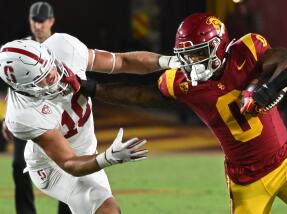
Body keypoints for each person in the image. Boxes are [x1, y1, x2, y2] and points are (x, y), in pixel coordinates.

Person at [88, 13, 287, 213]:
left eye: (199, 53)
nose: (192, 62)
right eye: (187, 55)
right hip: (247, 180)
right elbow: (141, 95)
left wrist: (264, 89)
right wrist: (96, 89)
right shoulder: (181, 82)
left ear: (218, 46)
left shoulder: (246, 51)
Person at [0, 30, 178, 213]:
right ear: (25, 88)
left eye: (50, 64)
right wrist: (108, 158)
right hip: (52, 167)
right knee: (108, 210)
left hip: (85, 152)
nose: (53, 73)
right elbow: (70, 163)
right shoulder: (23, 115)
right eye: (43, 77)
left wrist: (168, 61)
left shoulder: (62, 46)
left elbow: (122, 61)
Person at [1, 2, 72, 214]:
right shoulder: (21, 47)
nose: (38, 25)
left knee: (66, 167)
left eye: (42, 21)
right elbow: (13, 86)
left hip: (57, 118)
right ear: (30, 21)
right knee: (18, 166)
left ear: (51, 21)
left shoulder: (62, 45)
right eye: (35, 20)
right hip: (27, 117)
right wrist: (7, 118)